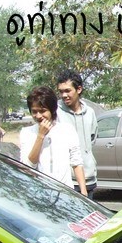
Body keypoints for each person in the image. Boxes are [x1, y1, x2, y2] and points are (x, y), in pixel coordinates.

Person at [20, 86, 88, 196]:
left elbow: (76, 162)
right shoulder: (27, 133)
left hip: (65, 192)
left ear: (52, 110)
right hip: (39, 193)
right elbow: (28, 165)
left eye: (43, 111)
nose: (38, 116)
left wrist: (83, 192)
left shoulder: (67, 130)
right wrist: (40, 136)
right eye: (34, 112)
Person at [56, 69, 98, 199]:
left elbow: (92, 140)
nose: (64, 95)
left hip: (89, 178)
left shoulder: (90, 112)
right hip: (66, 181)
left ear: (79, 89)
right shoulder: (55, 113)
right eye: (61, 91)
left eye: (67, 90)